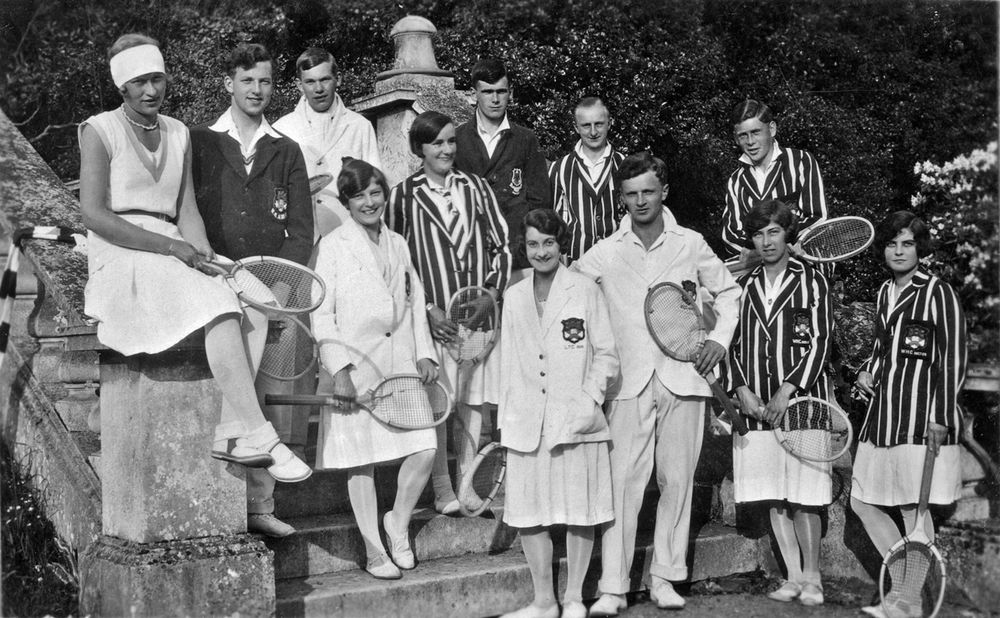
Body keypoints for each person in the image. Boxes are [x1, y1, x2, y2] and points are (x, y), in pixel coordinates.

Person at [78, 34, 309, 490]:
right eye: (140, 82)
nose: (151, 91)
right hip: (121, 251)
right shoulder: (98, 130)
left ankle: (230, 432)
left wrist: (203, 253)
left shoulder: (178, 131)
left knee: (254, 296)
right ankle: (260, 432)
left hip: (173, 245)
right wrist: (172, 249)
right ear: (122, 86)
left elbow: (186, 211)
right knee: (219, 304)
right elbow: (93, 215)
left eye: (158, 79)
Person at [574, 152, 741, 615]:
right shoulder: (605, 251)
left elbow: (730, 292)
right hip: (626, 384)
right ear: (621, 198)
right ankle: (613, 586)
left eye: (648, 191)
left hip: (684, 380)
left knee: (677, 481)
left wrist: (719, 340)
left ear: (664, 191)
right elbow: (570, 291)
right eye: (631, 194)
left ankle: (665, 577)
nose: (641, 201)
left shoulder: (691, 243)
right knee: (622, 485)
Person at [191, 43, 314, 538]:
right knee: (231, 390)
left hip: (266, 286)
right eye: (247, 81)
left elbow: (301, 232)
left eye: (264, 81)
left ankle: (260, 505)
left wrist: (279, 288)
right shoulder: (200, 141)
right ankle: (226, 509)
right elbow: (187, 211)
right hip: (213, 278)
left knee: (259, 392)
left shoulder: (287, 149)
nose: (257, 90)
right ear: (229, 84)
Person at [311, 158, 439, 580]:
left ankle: (397, 523)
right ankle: (373, 549)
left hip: (400, 364)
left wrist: (425, 353)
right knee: (360, 460)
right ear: (346, 202)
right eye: (359, 196)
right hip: (356, 368)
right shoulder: (332, 246)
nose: (369, 202)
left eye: (376, 192)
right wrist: (340, 371)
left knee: (425, 448)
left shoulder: (398, 243)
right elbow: (321, 315)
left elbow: (415, 302)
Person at [386, 111, 512, 515]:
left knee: (472, 404)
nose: (446, 150)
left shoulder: (476, 187)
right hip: (435, 325)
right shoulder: (403, 196)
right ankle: (442, 489)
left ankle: (467, 484)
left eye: (451, 141)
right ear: (419, 148)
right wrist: (427, 309)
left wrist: (491, 294)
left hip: (479, 319)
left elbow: (501, 245)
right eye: (436, 143)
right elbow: (398, 263)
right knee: (439, 404)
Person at [498, 209, 618, 618]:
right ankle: (544, 602)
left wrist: (588, 399)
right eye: (533, 244)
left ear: (560, 244)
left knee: (580, 511)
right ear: (524, 247)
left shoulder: (584, 289)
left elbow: (607, 355)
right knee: (529, 515)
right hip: (527, 421)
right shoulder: (514, 296)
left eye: (548, 243)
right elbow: (508, 361)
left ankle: (574, 599)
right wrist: (508, 418)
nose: (541, 252)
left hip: (576, 417)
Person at [852, 211, 966, 618]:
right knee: (861, 501)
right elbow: (883, 349)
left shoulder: (938, 292)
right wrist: (867, 370)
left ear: (920, 249)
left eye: (907, 244)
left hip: (922, 419)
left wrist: (941, 415)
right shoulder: (885, 291)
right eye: (891, 243)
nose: (899, 251)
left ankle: (908, 601)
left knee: (911, 509)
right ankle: (903, 590)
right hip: (882, 417)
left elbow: (953, 357)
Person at [728, 200, 834, 606]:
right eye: (758, 234)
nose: (766, 241)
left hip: (802, 403)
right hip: (756, 409)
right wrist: (742, 389)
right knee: (774, 494)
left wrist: (787, 390)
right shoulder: (743, 285)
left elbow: (821, 341)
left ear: (787, 234)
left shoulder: (813, 280)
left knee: (805, 495)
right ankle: (792, 576)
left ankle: (813, 578)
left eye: (773, 232)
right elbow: (730, 343)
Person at [274, 47, 381, 240]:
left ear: (338, 79)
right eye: (310, 82)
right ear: (299, 85)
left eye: (325, 79)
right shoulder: (282, 129)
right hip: (299, 235)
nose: (318, 89)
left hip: (349, 232)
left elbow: (375, 186)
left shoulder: (359, 126)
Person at [454, 57, 551, 272]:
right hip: (472, 254)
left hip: (517, 255)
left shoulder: (525, 139)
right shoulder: (457, 139)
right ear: (474, 94)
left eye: (501, 91)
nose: (495, 99)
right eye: (487, 92)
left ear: (510, 93)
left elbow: (540, 202)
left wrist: (529, 245)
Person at [722, 99, 828, 269]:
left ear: (771, 129)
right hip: (759, 270)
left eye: (756, 132)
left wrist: (787, 244)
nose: (750, 141)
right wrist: (757, 250)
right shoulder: (736, 180)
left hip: (803, 263)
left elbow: (817, 217)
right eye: (743, 135)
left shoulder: (801, 161)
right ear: (736, 138)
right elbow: (731, 234)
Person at [549, 96, 626, 263]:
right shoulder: (559, 168)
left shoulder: (624, 164)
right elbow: (553, 221)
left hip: (617, 262)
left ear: (609, 123)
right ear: (576, 127)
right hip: (575, 263)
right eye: (586, 125)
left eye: (599, 124)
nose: (593, 132)